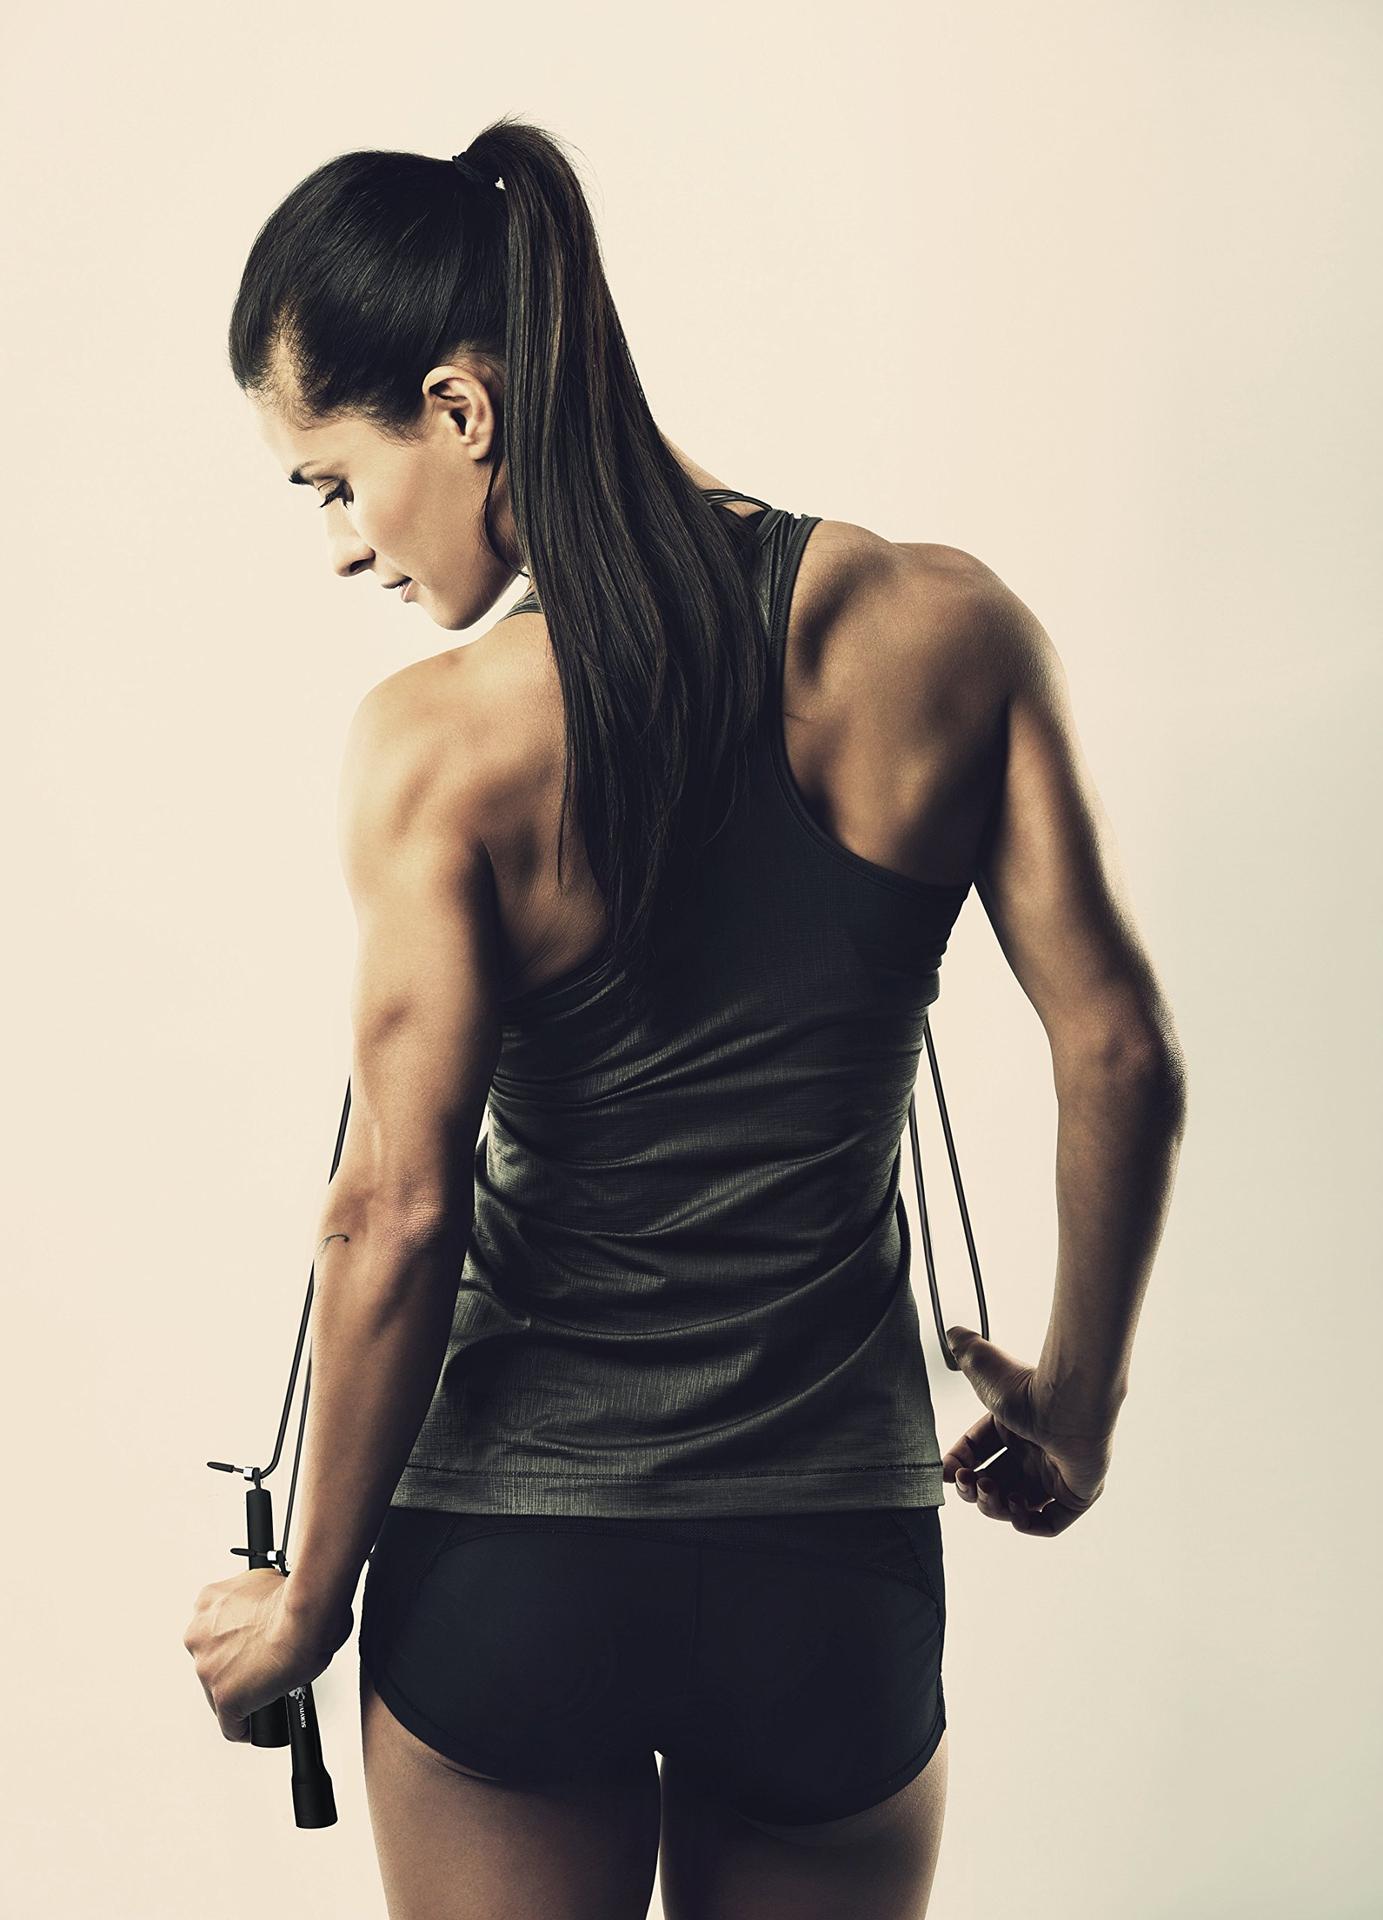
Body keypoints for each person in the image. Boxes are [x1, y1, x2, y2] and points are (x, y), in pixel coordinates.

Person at [182, 115, 1188, 1920]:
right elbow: (1120, 1053)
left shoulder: (438, 742)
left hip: (514, 1575)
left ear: (460, 410)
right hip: (829, 1578)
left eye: (333, 482)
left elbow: (394, 1208)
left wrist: (305, 1609)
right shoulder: (946, 630)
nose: (339, 547)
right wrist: (1079, 1408)